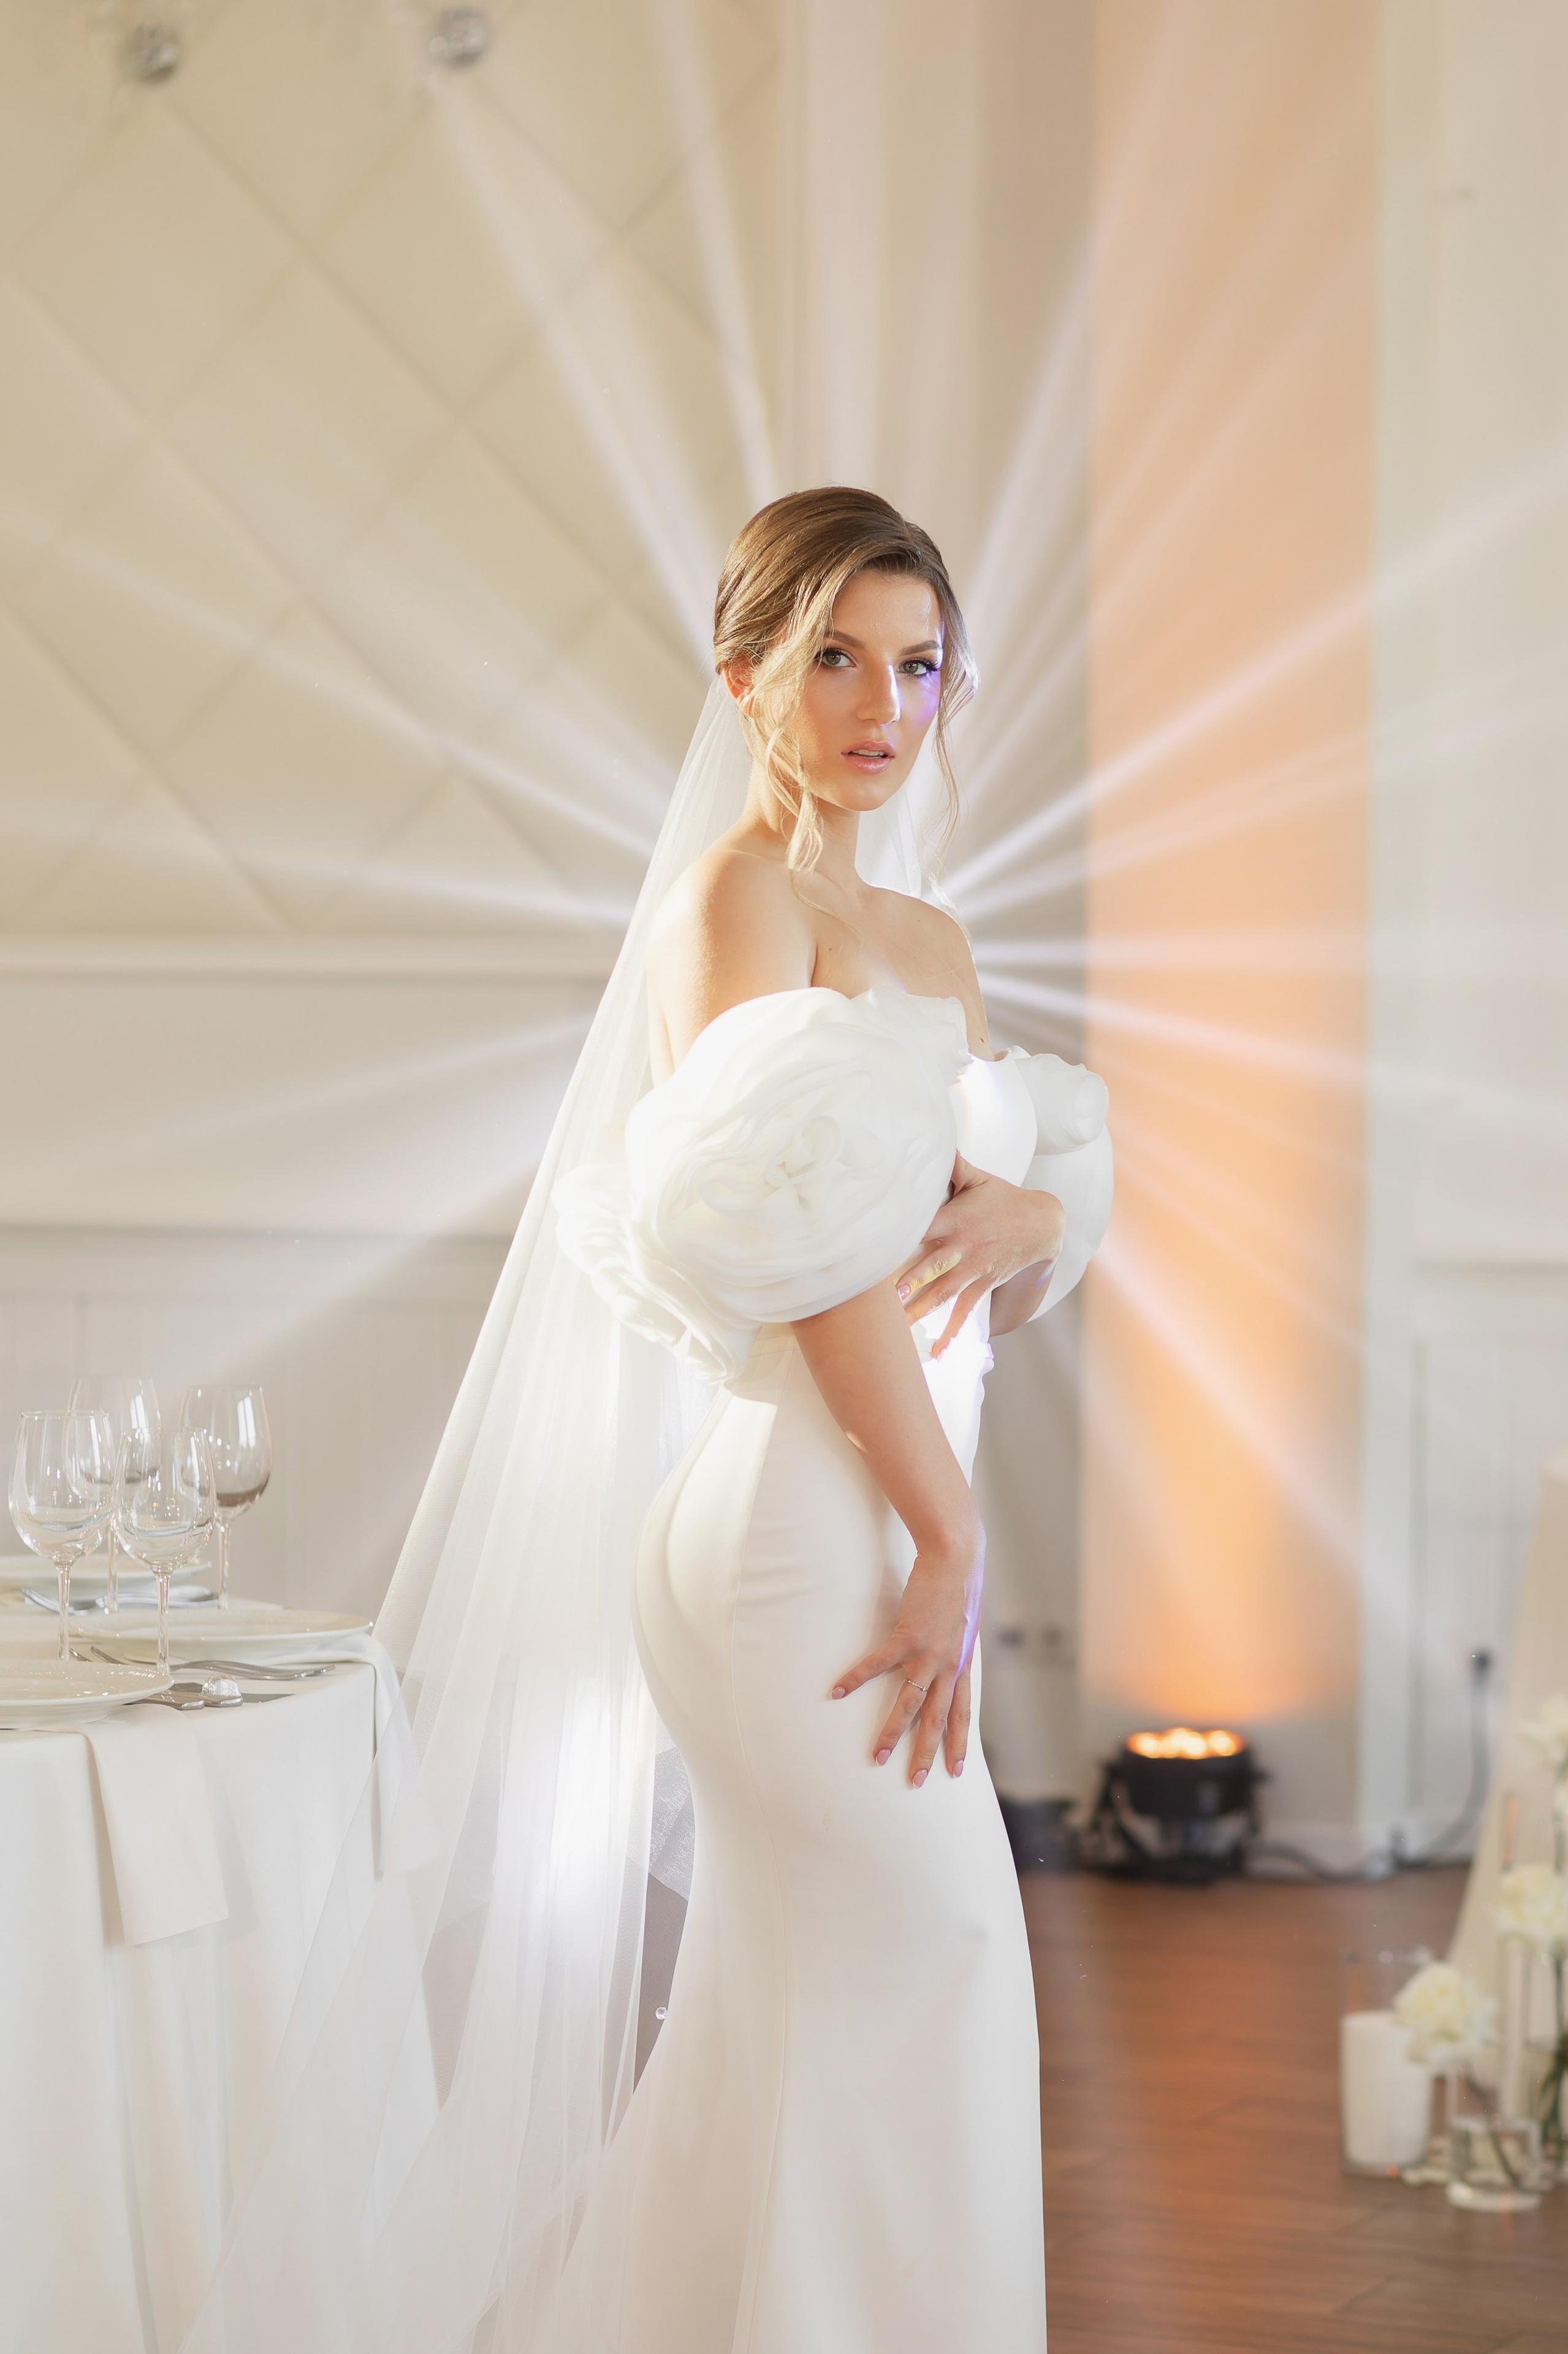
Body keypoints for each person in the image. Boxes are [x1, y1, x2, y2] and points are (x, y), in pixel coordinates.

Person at [181, 490, 1110, 2354]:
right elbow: (815, 1265)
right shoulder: (736, 903)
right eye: (835, 655)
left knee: (806, 1999)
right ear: (744, 672)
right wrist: (947, 1537)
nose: (882, 703)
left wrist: (1040, 1214)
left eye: (917, 662)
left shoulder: (926, 940)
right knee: (926, 1950)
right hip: (799, 1526)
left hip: (886, 1502)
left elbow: (955, 1227)